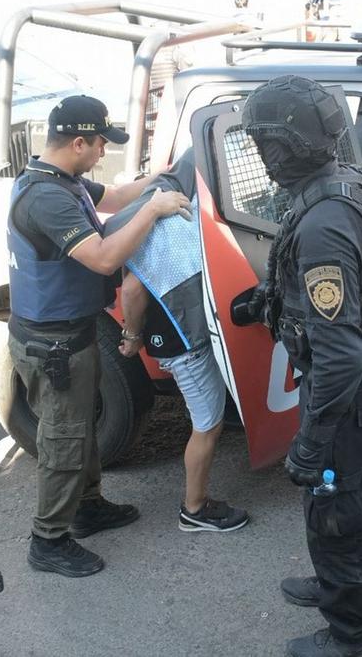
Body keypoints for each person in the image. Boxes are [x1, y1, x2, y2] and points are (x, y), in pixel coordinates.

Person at [243, 76, 362, 657]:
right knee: (351, 501)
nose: (261, 156)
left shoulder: (324, 223)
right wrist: (272, 302)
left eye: (264, 143)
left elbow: (340, 356)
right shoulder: (356, 186)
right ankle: (338, 583)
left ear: (288, 146)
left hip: (349, 397)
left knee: (334, 508)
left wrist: (311, 442)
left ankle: (354, 639)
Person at [6, 94, 190, 578]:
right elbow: (105, 259)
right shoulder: (46, 197)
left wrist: (169, 177)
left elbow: (114, 197)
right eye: (102, 144)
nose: (105, 152)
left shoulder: (60, 179)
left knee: (79, 427)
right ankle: (48, 540)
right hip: (53, 344)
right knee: (64, 438)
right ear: (80, 142)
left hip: (68, 334)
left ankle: (86, 508)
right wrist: (155, 212)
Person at [113, 148, 249, 533]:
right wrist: (133, 335)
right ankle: (195, 508)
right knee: (206, 423)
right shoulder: (164, 216)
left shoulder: (171, 201)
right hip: (181, 341)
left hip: (188, 333)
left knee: (209, 419)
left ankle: (196, 503)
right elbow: (132, 289)